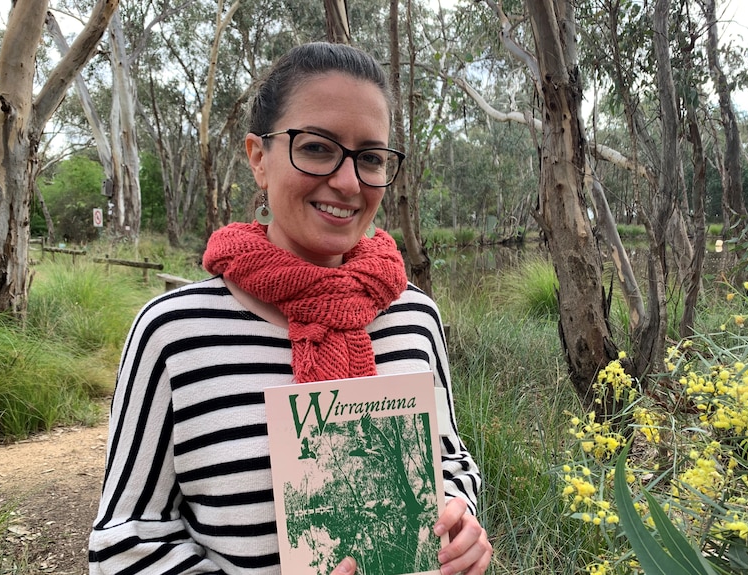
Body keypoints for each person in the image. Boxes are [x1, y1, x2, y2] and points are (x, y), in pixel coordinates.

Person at [88, 42, 492, 575]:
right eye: (319, 148)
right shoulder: (174, 335)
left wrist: (460, 516)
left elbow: (451, 459)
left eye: (371, 157)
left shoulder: (413, 316)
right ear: (259, 158)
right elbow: (124, 542)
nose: (348, 182)